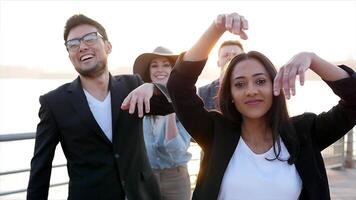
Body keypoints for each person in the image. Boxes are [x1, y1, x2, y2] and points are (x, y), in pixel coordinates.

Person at [167, 12, 356, 200]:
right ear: (230, 95)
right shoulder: (215, 132)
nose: (251, 91)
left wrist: (313, 59)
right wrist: (216, 28)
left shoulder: (304, 133)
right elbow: (178, 86)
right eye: (240, 84)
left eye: (260, 81)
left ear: (275, 85)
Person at [27, 14, 173, 200]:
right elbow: (41, 168)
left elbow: (174, 105)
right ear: (70, 55)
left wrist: (154, 88)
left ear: (108, 46)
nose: (82, 46)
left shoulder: (133, 85)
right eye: (73, 44)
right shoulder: (54, 103)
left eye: (90, 38)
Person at [132, 46, 192, 200]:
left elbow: (176, 150)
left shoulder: (184, 102)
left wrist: (170, 107)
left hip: (176, 178)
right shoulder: (139, 100)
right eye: (154, 65)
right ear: (149, 71)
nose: (160, 69)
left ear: (173, 70)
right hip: (145, 176)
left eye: (166, 65)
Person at [198, 40, 244, 110]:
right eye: (226, 55)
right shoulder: (203, 92)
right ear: (218, 62)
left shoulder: (252, 88)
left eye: (235, 55)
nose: (230, 58)